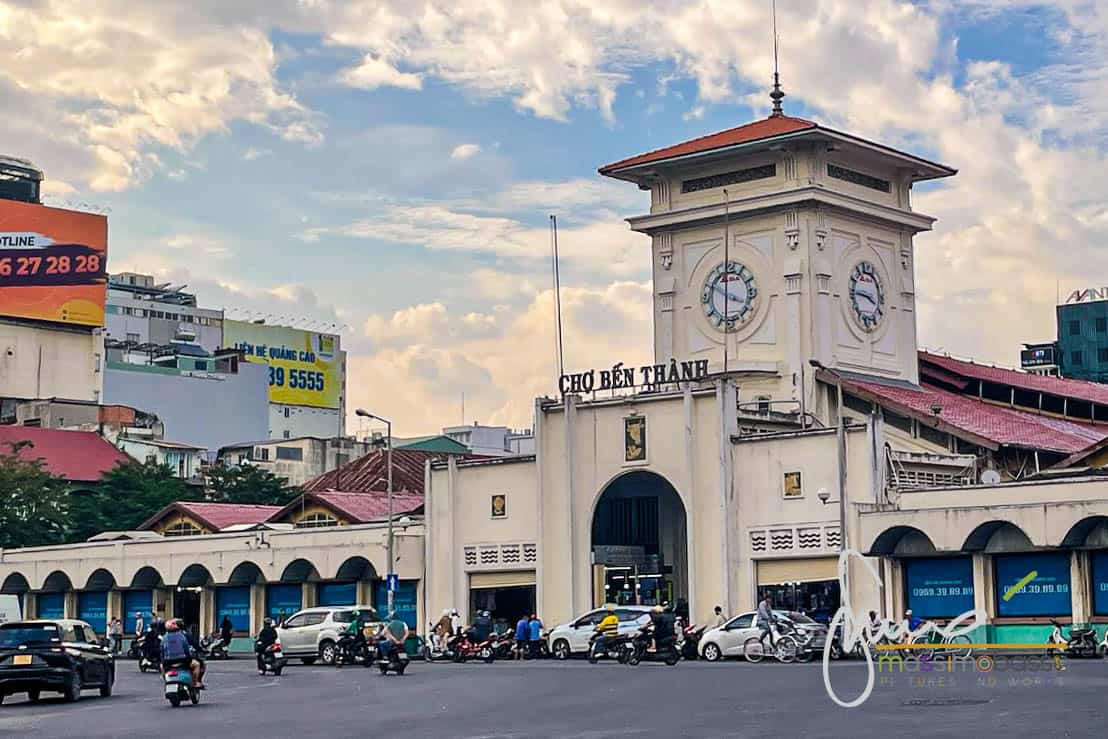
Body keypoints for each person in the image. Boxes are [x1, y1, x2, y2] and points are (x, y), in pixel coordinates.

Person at [161, 619, 202, 688]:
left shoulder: (164, 638)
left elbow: (162, 651)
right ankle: (195, 683)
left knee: (162, 667)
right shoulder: (182, 636)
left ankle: (167, 682)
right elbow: (186, 649)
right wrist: (189, 658)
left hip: (168, 661)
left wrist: (163, 661)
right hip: (182, 660)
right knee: (197, 665)